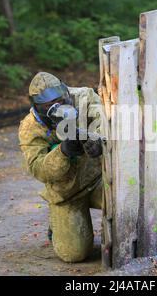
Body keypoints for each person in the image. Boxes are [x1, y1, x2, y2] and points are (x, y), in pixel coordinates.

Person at [18, 72, 103, 262]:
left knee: (129, 201)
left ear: (66, 92)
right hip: (67, 193)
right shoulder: (30, 128)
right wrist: (63, 152)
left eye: (60, 100)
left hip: (100, 179)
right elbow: (38, 169)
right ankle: (57, 225)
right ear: (35, 107)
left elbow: (106, 120)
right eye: (48, 107)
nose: (57, 108)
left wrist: (98, 141)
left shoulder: (84, 97)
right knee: (73, 254)